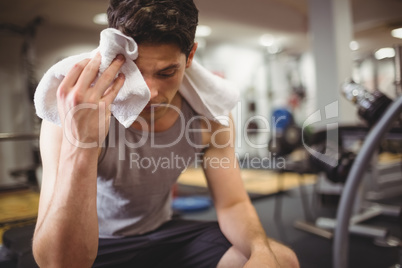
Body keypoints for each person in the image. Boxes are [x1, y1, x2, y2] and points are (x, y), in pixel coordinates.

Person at [32, 0, 300, 267]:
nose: (150, 93)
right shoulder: (69, 118)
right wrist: (83, 144)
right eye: (134, 72)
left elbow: (233, 203)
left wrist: (260, 250)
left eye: (166, 72)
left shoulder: (210, 117)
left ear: (190, 56)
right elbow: (58, 264)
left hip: (163, 234)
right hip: (97, 242)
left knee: (282, 260)